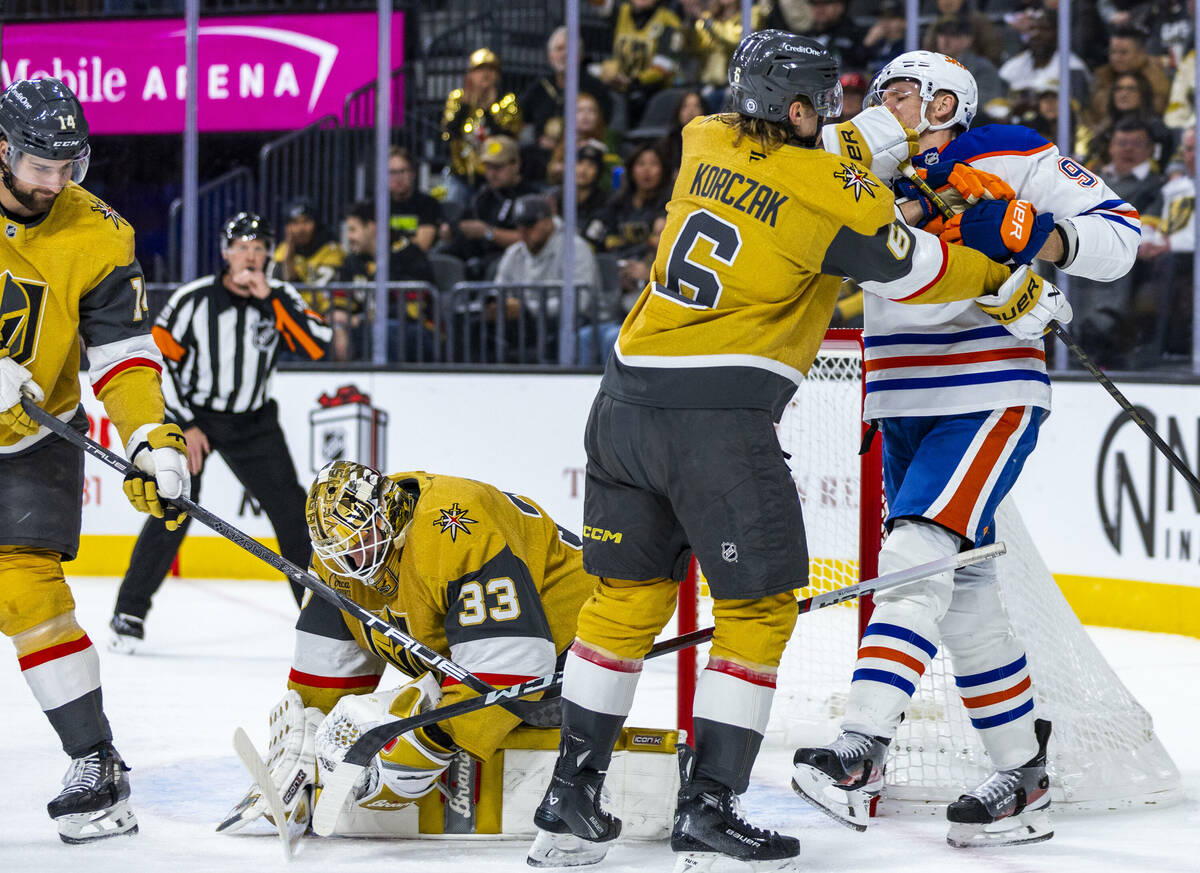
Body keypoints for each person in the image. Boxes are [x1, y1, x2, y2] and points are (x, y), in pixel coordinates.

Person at [527, 30, 1055, 871]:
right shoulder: (828, 196)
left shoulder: (702, 135)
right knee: (760, 610)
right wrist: (1006, 279)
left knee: (621, 604)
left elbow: (826, 149)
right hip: (719, 419)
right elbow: (917, 269)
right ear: (803, 109)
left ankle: (569, 800)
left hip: (621, 403)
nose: (842, 113)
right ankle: (708, 807)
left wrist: (881, 129)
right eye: (829, 101)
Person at [794, 49, 1139, 848]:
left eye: (919, 92)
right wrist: (991, 272)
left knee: (914, 559)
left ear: (955, 103)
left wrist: (1040, 235)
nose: (900, 102)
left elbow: (1124, 237)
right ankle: (1022, 776)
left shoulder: (1008, 150)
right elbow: (853, 252)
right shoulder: (852, 166)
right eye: (890, 92)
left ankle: (862, 746)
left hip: (986, 392)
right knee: (966, 593)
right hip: (899, 398)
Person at [0, 77, 188, 842]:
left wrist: (152, 438)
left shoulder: (100, 233)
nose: (57, 183)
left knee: (25, 590)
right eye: (42, 167)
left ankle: (96, 763)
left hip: (36, 435)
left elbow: (123, 356)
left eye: (70, 167)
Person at [221, 460, 596, 834]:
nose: (350, 562)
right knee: (360, 719)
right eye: (338, 552)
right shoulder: (339, 557)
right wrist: (307, 740)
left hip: (570, 642)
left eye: (358, 543)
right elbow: (325, 669)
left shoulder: (456, 530)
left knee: (429, 719)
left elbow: (513, 662)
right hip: (478, 648)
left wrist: (434, 737)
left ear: (388, 516)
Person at [110, 212, 330, 651]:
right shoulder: (195, 299)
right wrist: (185, 423)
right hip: (197, 417)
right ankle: (128, 612)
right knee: (173, 501)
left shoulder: (280, 296)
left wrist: (270, 298)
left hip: (254, 420)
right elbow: (159, 358)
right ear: (226, 252)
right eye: (242, 247)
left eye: (259, 248)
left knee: (291, 511)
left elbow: (316, 345)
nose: (250, 256)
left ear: (269, 255)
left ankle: (317, 616)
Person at [493, 193, 600, 364]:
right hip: (525, 326)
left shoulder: (575, 248)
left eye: (530, 225)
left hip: (566, 323)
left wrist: (527, 309)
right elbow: (498, 290)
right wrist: (500, 306)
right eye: (519, 225)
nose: (523, 231)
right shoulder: (515, 253)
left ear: (548, 221)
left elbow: (581, 301)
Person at [337, 200, 438, 362]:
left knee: (384, 331)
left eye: (353, 230)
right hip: (370, 329)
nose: (349, 237)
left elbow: (411, 312)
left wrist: (362, 319)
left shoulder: (409, 256)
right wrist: (338, 325)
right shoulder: (353, 261)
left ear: (371, 227)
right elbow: (339, 303)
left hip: (420, 333)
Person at [438, 135, 542, 280]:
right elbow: (464, 221)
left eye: (498, 167)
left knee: (495, 267)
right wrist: (450, 228)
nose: (492, 174)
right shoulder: (483, 195)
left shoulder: (531, 197)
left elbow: (532, 239)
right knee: (441, 257)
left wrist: (489, 233)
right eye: (488, 167)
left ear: (516, 164)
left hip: (513, 260)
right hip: (477, 255)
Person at [441, 48, 523, 188]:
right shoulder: (458, 99)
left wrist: (487, 109)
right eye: (479, 70)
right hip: (462, 173)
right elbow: (448, 133)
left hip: (497, 175)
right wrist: (466, 105)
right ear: (470, 75)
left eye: (491, 70)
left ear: (497, 75)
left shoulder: (507, 101)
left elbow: (509, 140)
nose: (485, 75)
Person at [520, 26, 613, 148]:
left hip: (583, 153)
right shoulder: (540, 87)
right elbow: (522, 118)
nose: (565, 54)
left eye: (570, 49)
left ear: (580, 56)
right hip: (542, 154)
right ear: (550, 56)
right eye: (559, 49)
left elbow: (606, 126)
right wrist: (538, 139)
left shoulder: (596, 89)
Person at [269, 196, 345, 322]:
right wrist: (289, 253)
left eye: (306, 222)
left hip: (324, 316)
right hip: (291, 316)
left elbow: (318, 289)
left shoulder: (331, 250)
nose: (301, 229)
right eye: (295, 223)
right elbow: (279, 283)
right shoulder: (283, 250)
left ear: (316, 223)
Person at [387, 147, 441, 252]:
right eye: (392, 172)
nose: (398, 177)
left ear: (413, 173)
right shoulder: (377, 206)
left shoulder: (428, 204)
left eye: (402, 171)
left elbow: (422, 245)